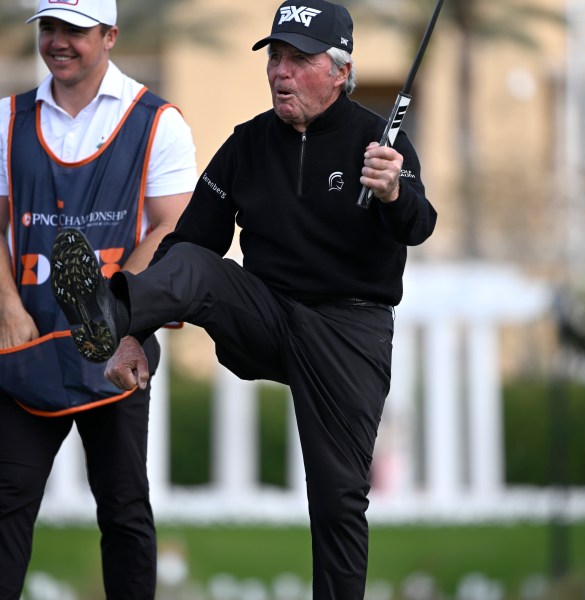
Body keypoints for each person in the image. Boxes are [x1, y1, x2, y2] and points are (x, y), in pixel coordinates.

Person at [51, 0, 436, 597]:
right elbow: (186, 246)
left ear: (339, 70)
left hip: (348, 331)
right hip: (266, 316)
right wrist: (136, 335)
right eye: (275, 58)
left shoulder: (379, 142)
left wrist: (391, 193)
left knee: (338, 502)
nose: (281, 72)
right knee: (197, 264)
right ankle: (110, 313)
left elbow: (419, 224)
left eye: (298, 60)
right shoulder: (247, 144)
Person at [0, 0, 197, 597]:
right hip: (27, 350)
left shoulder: (158, 121)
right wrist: (7, 308)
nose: (59, 41)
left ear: (110, 36)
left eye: (76, 31)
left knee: (124, 509)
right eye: (50, 28)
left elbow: (173, 226)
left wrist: (114, 313)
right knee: (6, 506)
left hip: (116, 350)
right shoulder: (8, 119)